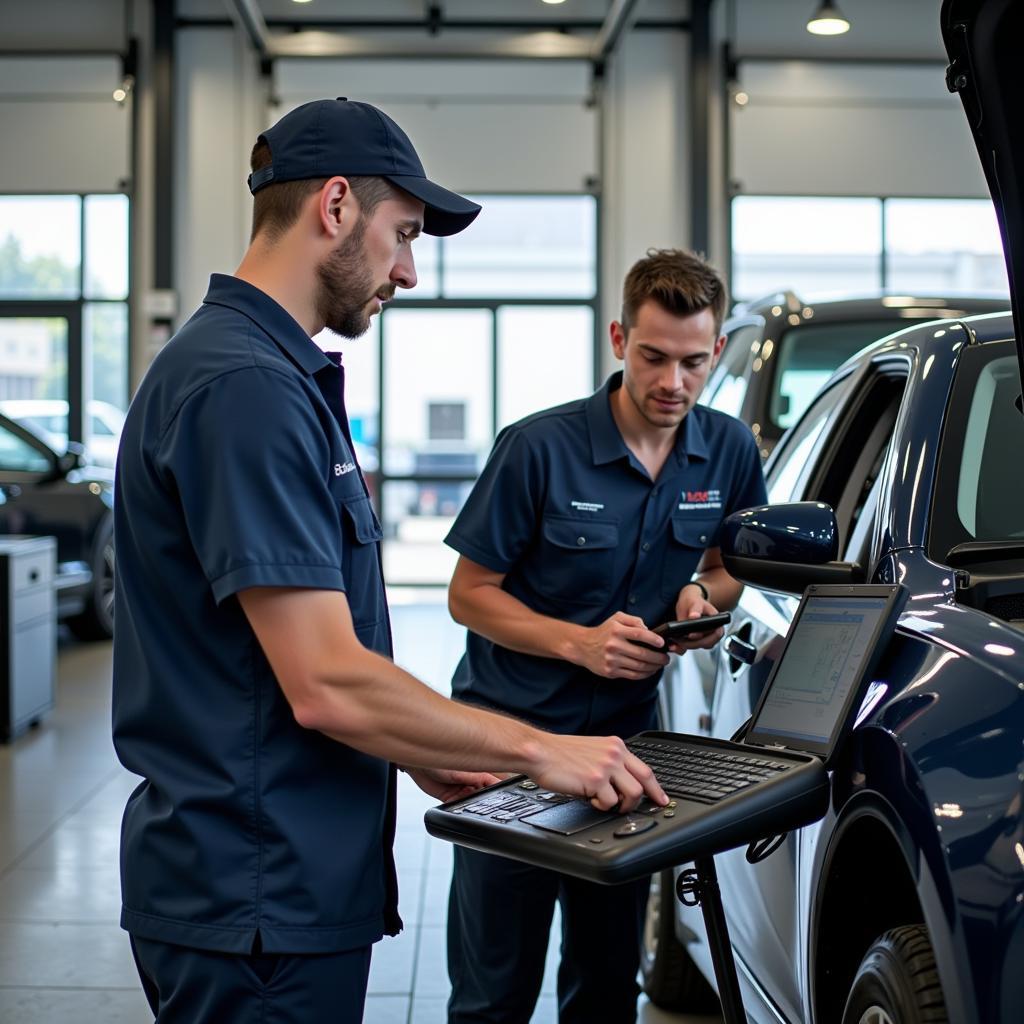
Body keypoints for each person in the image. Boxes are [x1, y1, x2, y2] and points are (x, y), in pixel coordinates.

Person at [111, 98, 666, 1024]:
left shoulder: (261, 373)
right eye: (403, 234)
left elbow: (280, 662)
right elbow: (325, 681)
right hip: (257, 902)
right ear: (334, 206)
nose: (409, 270)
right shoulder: (247, 388)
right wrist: (539, 747)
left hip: (269, 885)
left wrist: (418, 747)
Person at [443, 248, 769, 1024]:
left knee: (605, 979)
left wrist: (700, 594)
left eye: (693, 362)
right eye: (653, 357)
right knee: (495, 990)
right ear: (619, 337)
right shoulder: (537, 449)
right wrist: (577, 642)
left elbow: (729, 569)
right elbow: (468, 596)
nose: (672, 383)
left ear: (717, 352)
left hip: (625, 754)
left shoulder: (727, 449)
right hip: (507, 749)